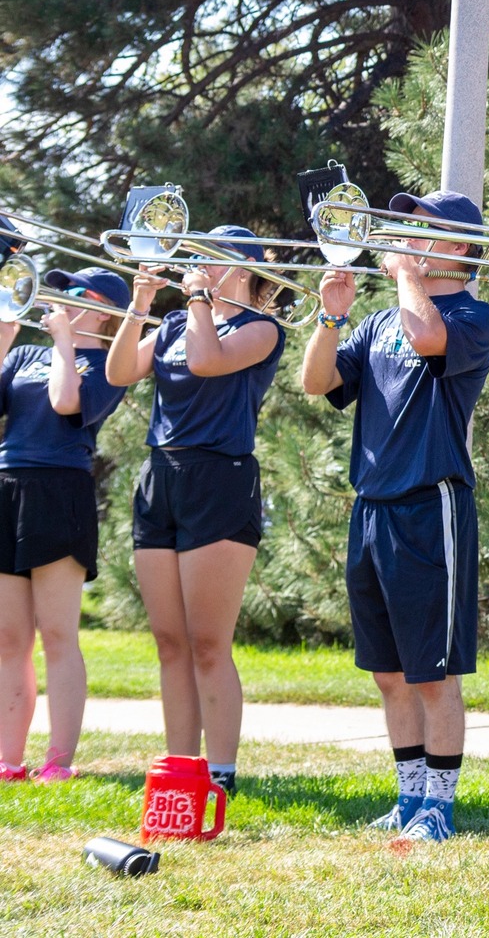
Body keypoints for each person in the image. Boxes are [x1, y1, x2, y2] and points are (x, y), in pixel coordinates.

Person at [299, 191, 489, 845]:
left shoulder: (473, 313)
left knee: (433, 673)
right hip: (372, 506)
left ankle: (440, 804)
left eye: (426, 229)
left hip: (428, 504)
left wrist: (407, 274)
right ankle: (408, 792)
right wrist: (330, 319)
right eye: (409, 226)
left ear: (461, 247)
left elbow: (429, 336)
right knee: (387, 671)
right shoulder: (381, 320)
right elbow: (317, 382)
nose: (410, 236)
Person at [105, 228, 285, 796]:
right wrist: (139, 305)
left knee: (209, 642)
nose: (200, 265)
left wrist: (199, 298)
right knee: (169, 640)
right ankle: (179, 768)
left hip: (219, 477)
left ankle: (223, 772)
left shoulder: (261, 328)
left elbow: (207, 363)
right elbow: (117, 374)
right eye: (200, 257)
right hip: (161, 474)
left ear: (248, 269)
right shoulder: (178, 323)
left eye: (215, 259)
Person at [0, 269, 128, 783]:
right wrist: (6, 337)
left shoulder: (108, 365)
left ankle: (59, 760)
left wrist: (64, 341)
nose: (65, 299)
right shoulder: (28, 354)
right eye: (64, 291)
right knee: (9, 639)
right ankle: (9, 758)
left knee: (57, 633)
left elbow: (64, 401)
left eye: (80, 294)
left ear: (104, 313)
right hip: (9, 483)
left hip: (60, 490)